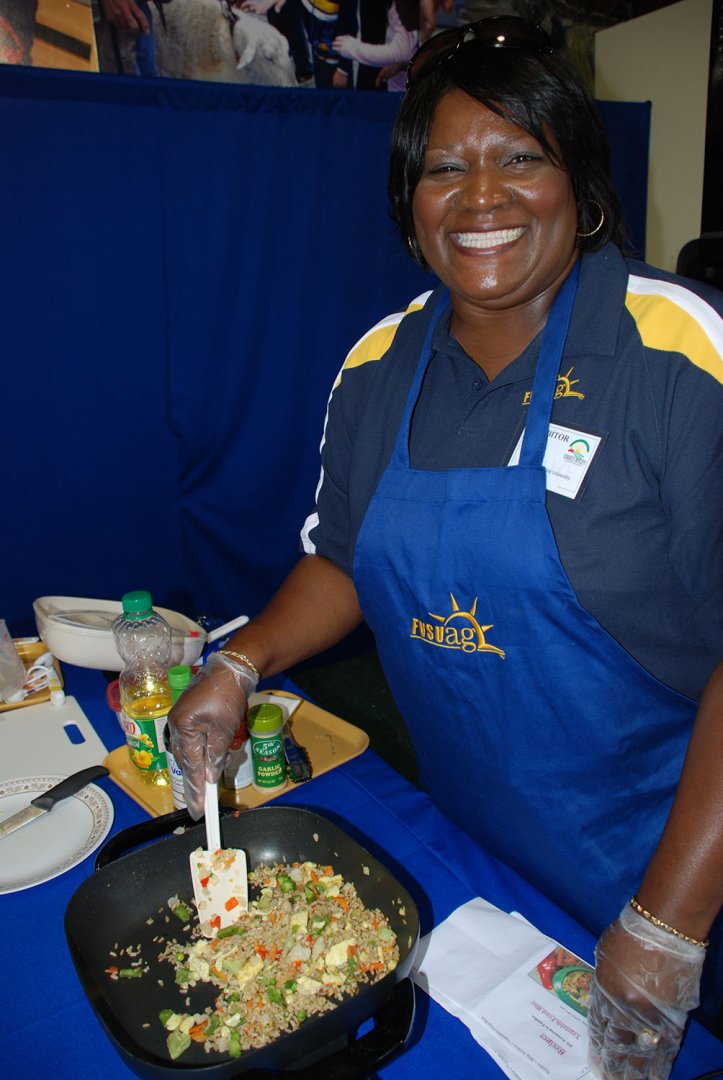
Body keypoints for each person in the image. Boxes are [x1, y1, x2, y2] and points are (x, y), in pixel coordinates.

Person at [169, 16, 723, 1078]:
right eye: (443, 170)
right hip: (474, 843)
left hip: (674, 864)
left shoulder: (675, 351)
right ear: (407, 202)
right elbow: (344, 558)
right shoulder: (378, 364)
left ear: (581, 181)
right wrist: (239, 667)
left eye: (521, 157)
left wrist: (666, 927)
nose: (481, 198)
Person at [332, 0, 418, 92]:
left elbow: (402, 51)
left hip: (383, 73)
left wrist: (351, 49)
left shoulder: (404, 7)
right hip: (357, 65)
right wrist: (343, 67)